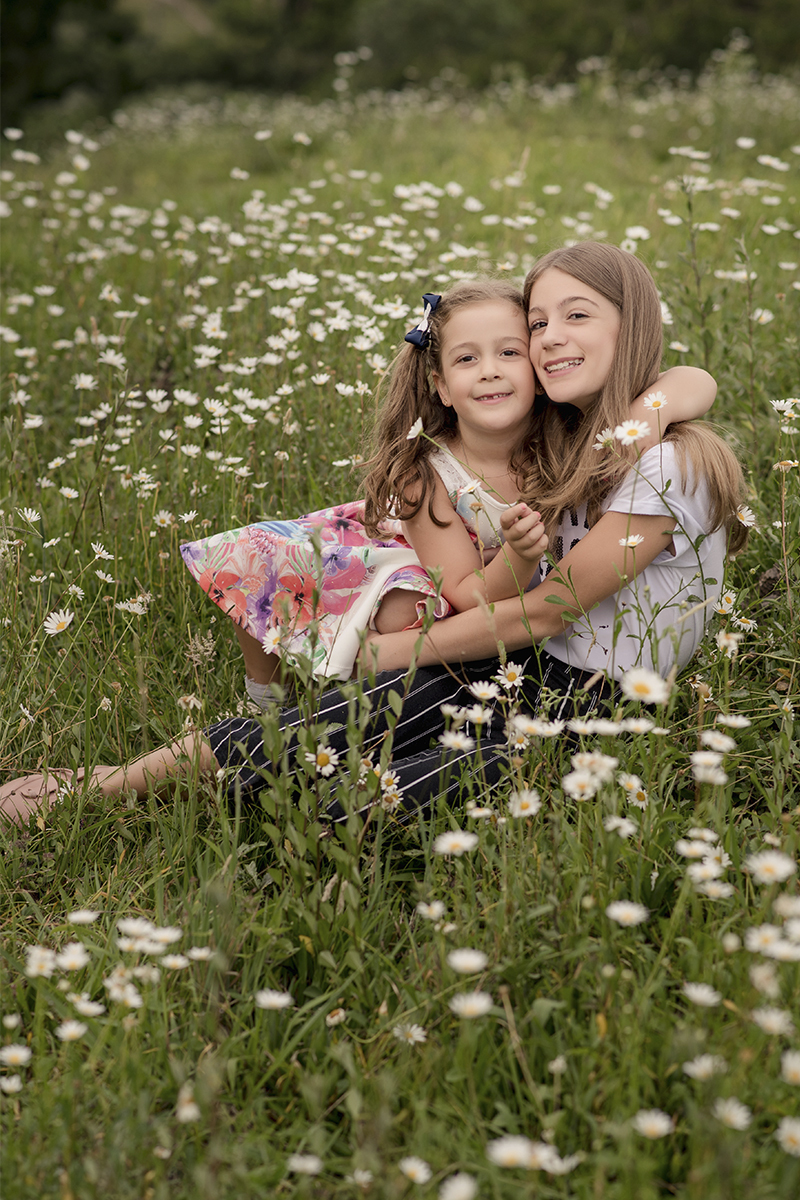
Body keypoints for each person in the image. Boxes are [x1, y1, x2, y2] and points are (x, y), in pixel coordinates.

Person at [0, 244, 742, 827]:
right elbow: (687, 378)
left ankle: (246, 789)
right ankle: (104, 786)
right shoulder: (583, 436)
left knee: (352, 806)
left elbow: (553, 608)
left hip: (593, 706)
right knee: (323, 728)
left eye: (575, 317)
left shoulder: (670, 459)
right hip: (520, 665)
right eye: (538, 323)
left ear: (631, 324)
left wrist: (395, 650)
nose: (549, 339)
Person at [179, 278, 713, 707]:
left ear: (537, 370)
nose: (489, 372)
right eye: (465, 360)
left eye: (510, 352)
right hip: (423, 564)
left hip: (507, 599)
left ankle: (343, 678)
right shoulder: (426, 472)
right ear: (439, 385)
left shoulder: (566, 431)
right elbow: (465, 595)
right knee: (288, 578)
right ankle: (266, 697)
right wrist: (522, 558)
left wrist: (634, 424)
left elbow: (696, 380)